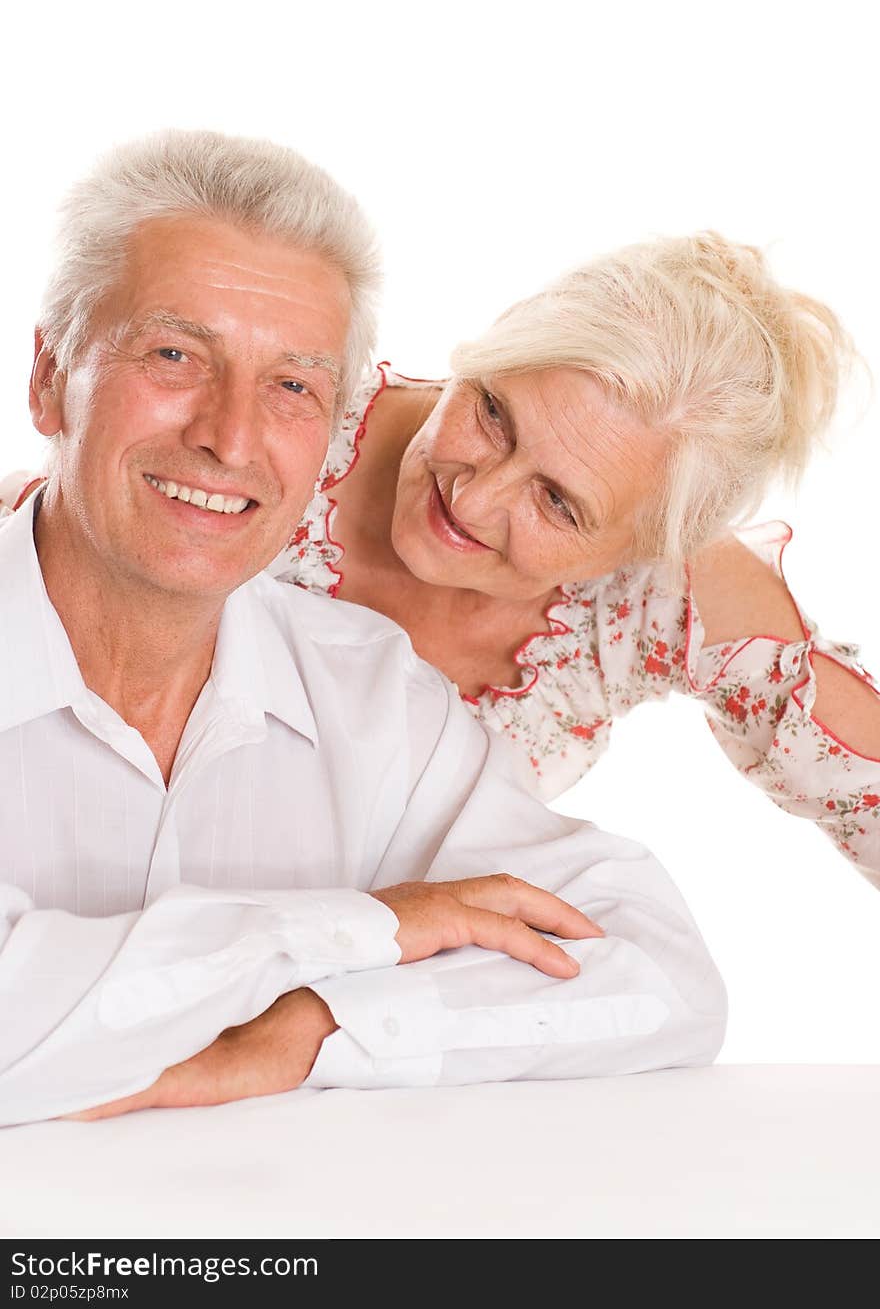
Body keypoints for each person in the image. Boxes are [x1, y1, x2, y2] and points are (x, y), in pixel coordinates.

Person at [0, 131, 725, 1128]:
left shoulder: (372, 694)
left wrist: (310, 1030)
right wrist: (361, 929)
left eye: (292, 386)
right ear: (49, 377)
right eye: (174, 354)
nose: (229, 436)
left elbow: (658, 975)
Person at [256, 238, 879, 887]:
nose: (471, 498)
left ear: (643, 554)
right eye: (494, 412)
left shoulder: (644, 605)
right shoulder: (280, 432)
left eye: (558, 502)